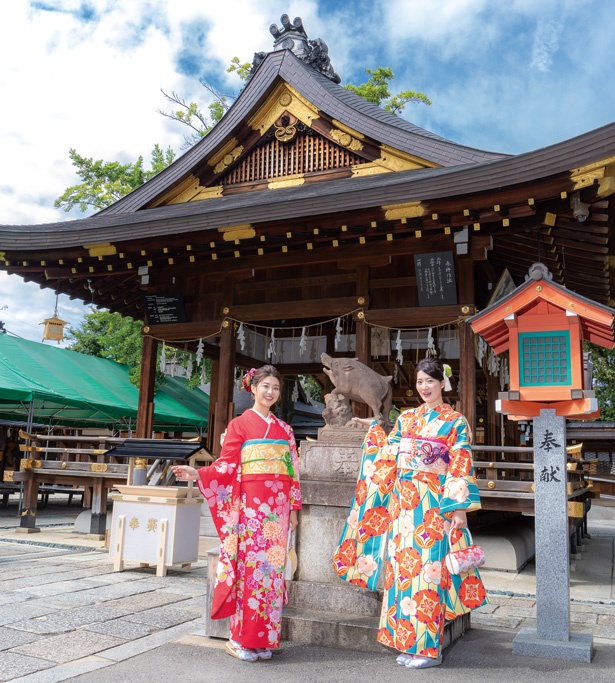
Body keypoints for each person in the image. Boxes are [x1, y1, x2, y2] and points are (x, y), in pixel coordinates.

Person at [334, 358, 487, 669]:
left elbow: (460, 463)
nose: (424, 387)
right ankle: (406, 642)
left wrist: (458, 508)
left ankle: (429, 649)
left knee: (429, 573)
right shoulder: (407, 419)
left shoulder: (455, 421)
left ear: (443, 383)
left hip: (433, 507)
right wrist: (376, 429)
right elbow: (390, 453)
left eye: (430, 381)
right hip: (404, 507)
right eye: (420, 382)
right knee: (403, 573)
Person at [172, 365, 301, 663]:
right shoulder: (239, 425)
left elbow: (294, 471)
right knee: (249, 572)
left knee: (272, 573)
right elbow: (227, 465)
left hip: (278, 511)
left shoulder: (285, 430)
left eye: (275, 388)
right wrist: (198, 473)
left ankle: (265, 638)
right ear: (253, 388)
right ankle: (240, 638)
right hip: (251, 509)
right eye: (265, 386)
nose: (270, 392)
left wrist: (294, 507)